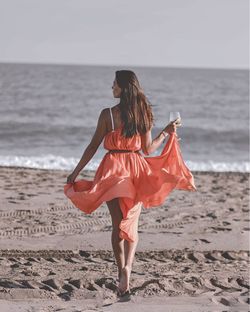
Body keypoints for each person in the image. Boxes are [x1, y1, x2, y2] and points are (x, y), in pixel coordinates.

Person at [64, 70, 196, 296]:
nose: (111, 88)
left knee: (117, 223)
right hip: (136, 169)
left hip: (112, 169)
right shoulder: (143, 113)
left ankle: (120, 271)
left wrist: (75, 173)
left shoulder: (107, 114)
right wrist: (165, 133)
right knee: (132, 221)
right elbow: (147, 150)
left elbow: (93, 146)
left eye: (114, 84)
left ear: (124, 88)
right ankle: (129, 268)